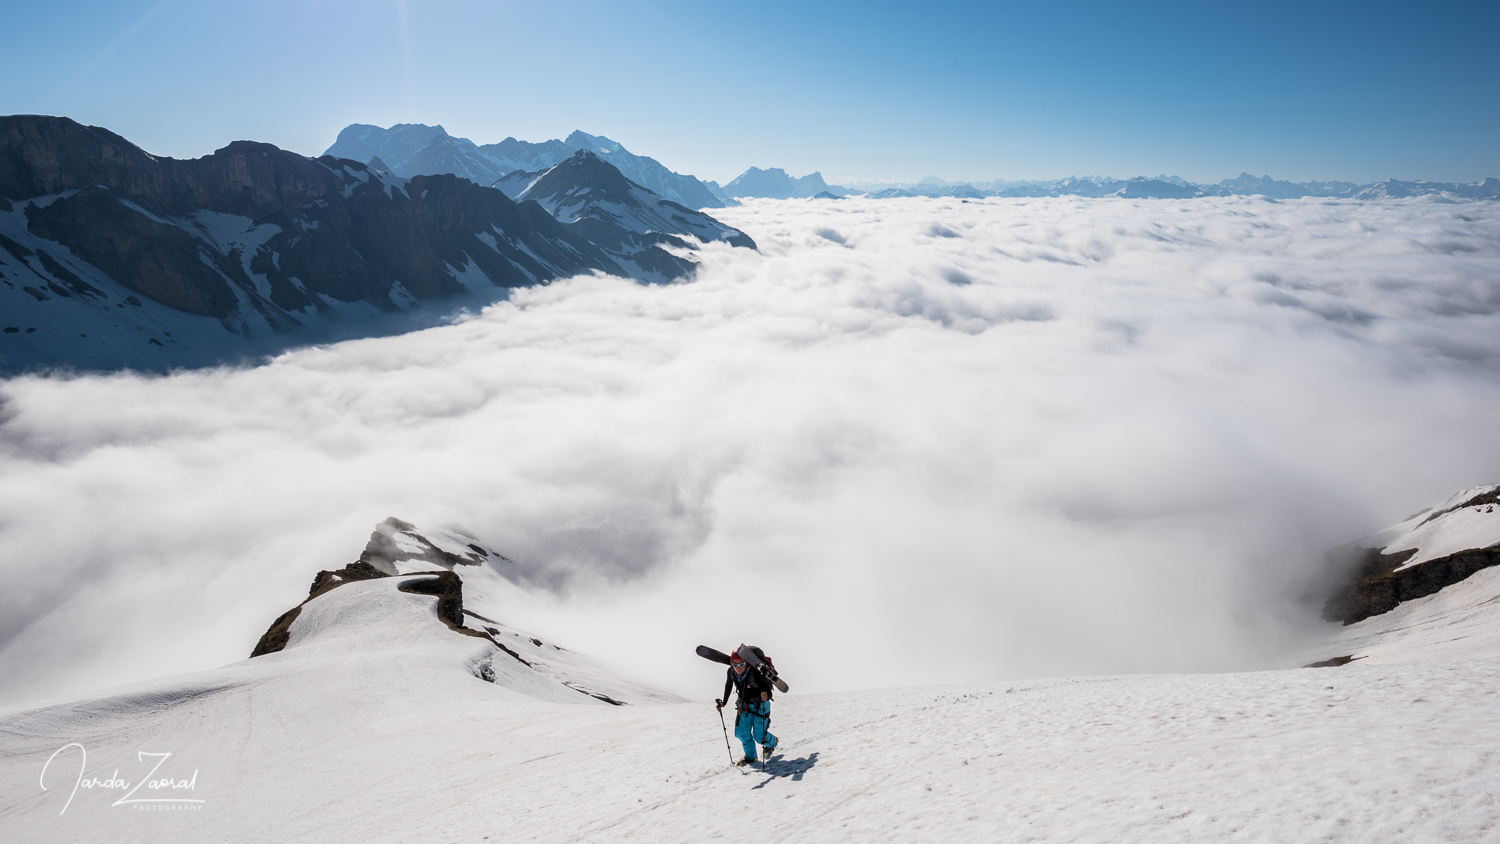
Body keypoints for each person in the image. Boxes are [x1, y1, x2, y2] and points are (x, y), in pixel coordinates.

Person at [716, 650, 778, 765]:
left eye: (741, 664)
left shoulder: (757, 672)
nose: (738, 668)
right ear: (731, 664)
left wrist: (766, 696)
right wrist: (723, 702)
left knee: (760, 737)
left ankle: (772, 743)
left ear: (747, 663)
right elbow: (728, 685)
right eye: (735, 664)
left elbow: (769, 691)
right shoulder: (731, 672)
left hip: (761, 705)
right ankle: (751, 757)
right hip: (744, 705)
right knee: (742, 733)